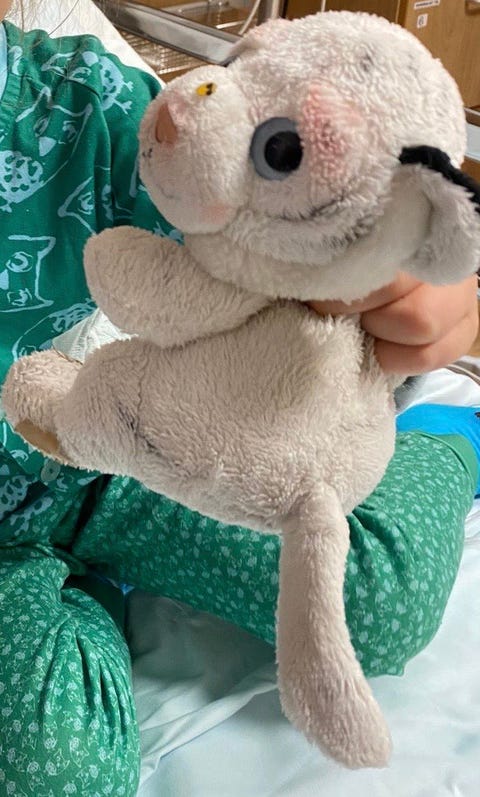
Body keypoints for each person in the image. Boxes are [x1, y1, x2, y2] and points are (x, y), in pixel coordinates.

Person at [0, 2, 479, 793]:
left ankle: (449, 432)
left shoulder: (83, 113)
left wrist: (409, 271)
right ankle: (93, 591)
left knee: (373, 604)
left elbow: (265, 202)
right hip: (33, 510)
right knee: (63, 774)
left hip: (110, 453)